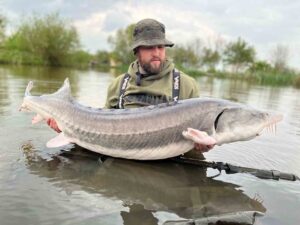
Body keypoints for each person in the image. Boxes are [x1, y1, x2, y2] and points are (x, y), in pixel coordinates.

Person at [47, 18, 214, 152]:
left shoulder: (186, 85)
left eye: (160, 47)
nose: (156, 53)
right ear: (137, 51)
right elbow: (98, 132)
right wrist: (67, 129)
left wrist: (203, 146)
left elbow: (197, 139)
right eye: (149, 47)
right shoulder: (118, 85)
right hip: (122, 165)